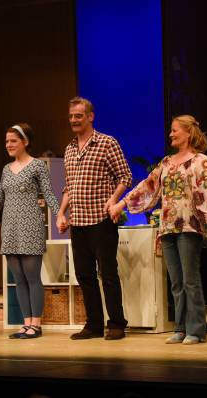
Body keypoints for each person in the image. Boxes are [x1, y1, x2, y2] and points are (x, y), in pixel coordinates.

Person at [109, 115, 207, 344]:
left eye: (175, 131)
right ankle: (179, 328)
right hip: (168, 226)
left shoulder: (201, 161)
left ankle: (196, 330)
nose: (171, 134)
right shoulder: (167, 163)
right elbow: (146, 186)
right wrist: (121, 203)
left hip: (190, 225)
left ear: (188, 133)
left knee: (191, 279)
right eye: (171, 131)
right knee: (176, 282)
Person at [56, 97, 132, 341]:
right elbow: (69, 187)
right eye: (71, 117)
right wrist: (60, 213)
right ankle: (94, 324)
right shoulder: (69, 149)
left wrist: (114, 200)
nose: (74, 121)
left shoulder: (107, 143)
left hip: (100, 220)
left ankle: (117, 323)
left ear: (90, 116)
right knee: (84, 275)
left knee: (108, 274)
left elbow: (125, 176)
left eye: (78, 116)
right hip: (78, 222)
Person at [0, 123, 60, 339]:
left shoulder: (37, 166)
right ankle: (26, 323)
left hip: (30, 227)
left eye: (13, 141)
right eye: (7, 141)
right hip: (9, 228)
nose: (8, 144)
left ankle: (36, 324)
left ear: (25, 142)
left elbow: (49, 193)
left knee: (32, 276)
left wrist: (59, 215)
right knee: (18, 278)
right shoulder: (6, 169)